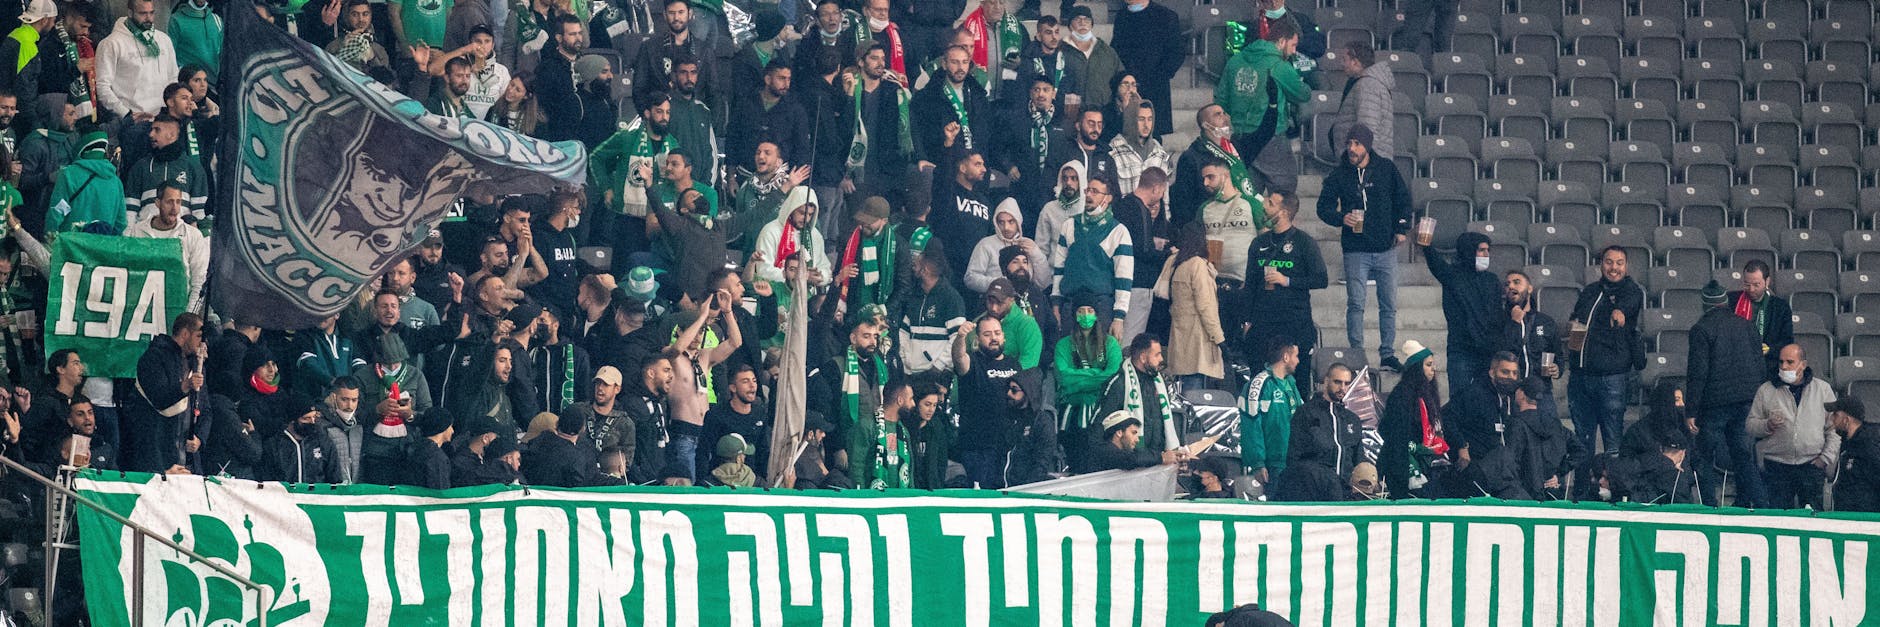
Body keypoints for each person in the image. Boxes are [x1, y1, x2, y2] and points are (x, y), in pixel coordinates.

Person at [1318, 124, 1411, 371]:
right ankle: (1357, 352)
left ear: (1367, 146)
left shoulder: (1386, 169)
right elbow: (1323, 207)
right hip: (1355, 249)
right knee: (1356, 303)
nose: (1352, 148)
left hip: (1385, 248)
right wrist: (1341, 218)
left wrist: (1401, 229)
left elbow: (1403, 199)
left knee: (1388, 304)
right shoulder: (1339, 175)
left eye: (1357, 144)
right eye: (1349, 143)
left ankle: (1387, 353)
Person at [1688, 280, 1772, 508]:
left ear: (1705, 305)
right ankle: (1763, 505)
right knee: (1743, 457)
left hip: (1714, 405)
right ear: (1725, 303)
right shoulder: (1747, 326)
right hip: (1746, 402)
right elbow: (1760, 367)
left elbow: (1698, 374)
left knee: (1704, 457)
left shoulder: (1701, 330)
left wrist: (1691, 411)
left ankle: (1709, 506)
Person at [1215, 16, 1308, 195]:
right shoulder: (1279, 66)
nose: (1294, 52)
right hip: (1270, 138)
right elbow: (1302, 94)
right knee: (1283, 194)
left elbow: (1221, 99)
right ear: (1282, 41)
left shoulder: (1235, 61)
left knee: (1247, 195)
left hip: (1239, 138)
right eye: (1293, 45)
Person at [1242, 192, 1326, 389]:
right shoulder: (1259, 243)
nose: (1264, 206)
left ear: (1284, 212)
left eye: (1270, 203)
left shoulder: (1304, 242)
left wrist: (1287, 280)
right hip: (1263, 322)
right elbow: (1250, 283)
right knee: (1260, 378)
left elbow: (1321, 279)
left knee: (1298, 380)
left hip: (1294, 322)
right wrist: (1247, 320)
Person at [1567, 246, 1646, 453]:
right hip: (1580, 377)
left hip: (1611, 378)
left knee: (1613, 442)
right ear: (1601, 264)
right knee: (1582, 442)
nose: (1614, 268)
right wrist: (1573, 352)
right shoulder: (1590, 291)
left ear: (1626, 266)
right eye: (1609, 262)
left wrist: (1619, 313)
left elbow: (1627, 307)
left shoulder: (1631, 291)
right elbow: (1576, 322)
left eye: (1619, 263)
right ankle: (1584, 486)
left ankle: (1611, 485)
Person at [1747, 344, 1838, 510]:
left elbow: (1834, 430)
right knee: (1778, 519)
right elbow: (1751, 426)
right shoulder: (1766, 390)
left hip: (1812, 464)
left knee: (1814, 519)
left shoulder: (1822, 390)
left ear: (1803, 364)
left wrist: (1825, 459)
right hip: (1777, 465)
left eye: (1790, 362)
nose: (1784, 366)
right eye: (1781, 362)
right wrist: (1767, 425)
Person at [1468, 376, 1585, 500]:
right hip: (1552, 495)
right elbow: (1580, 451)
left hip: (1524, 496)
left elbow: (1511, 463)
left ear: (1521, 394)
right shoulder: (1556, 426)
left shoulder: (1516, 425)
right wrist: (1559, 473)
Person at [1052, 171, 1133, 340]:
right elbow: (1059, 269)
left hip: (1101, 305)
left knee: (1098, 359)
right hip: (1071, 303)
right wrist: (1056, 305)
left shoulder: (1119, 231)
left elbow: (1124, 279)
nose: (1089, 195)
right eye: (1087, 190)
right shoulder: (1069, 225)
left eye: (1095, 191)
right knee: (1069, 356)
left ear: (1108, 198)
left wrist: (1119, 317)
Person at [123, 312, 203, 474]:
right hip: (156, 451)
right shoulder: (153, 357)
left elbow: (204, 404)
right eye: (198, 336)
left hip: (184, 451)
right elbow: (159, 398)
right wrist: (185, 386)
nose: (201, 342)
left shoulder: (194, 363)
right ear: (185, 333)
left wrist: (199, 436)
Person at [1426, 231, 1503, 394]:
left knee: (1487, 399)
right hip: (1461, 350)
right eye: (1481, 250)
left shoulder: (1492, 280)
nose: (1486, 255)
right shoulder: (1452, 275)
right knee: (1459, 398)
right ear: (1469, 251)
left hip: (1488, 351)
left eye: (1488, 250)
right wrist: (1425, 243)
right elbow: (1434, 262)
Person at [1053, 294, 1122, 470]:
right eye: (1081, 311)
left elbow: (1112, 375)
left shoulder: (1110, 343)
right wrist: (1096, 373)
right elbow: (1063, 376)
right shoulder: (1063, 345)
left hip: (1102, 410)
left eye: (1090, 311)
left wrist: (1079, 379)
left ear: (1097, 314)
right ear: (1074, 315)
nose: (1085, 315)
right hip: (1071, 413)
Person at [1380, 340, 1455, 498]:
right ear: (1416, 368)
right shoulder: (1401, 396)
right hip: (1404, 463)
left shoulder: (1427, 395)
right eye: (1428, 365)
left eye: (1433, 364)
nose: (1433, 369)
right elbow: (1395, 436)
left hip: (1425, 459)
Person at [951, 316, 1020, 487]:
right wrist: (960, 338)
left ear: (1003, 336)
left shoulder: (1014, 364)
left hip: (1008, 447)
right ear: (977, 339)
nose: (993, 338)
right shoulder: (973, 361)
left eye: (997, 333)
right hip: (978, 447)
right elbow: (959, 358)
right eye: (987, 334)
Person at [1279, 363, 1366, 498]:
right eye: (1337, 382)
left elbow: (1359, 459)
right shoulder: (1305, 412)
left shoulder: (1352, 419)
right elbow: (1294, 458)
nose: (1342, 388)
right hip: (1314, 493)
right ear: (1326, 381)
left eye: (1346, 383)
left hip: (1346, 496)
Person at [123, 182, 209, 311]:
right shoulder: (137, 232)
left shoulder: (193, 236)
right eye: (169, 202)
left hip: (177, 312)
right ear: (158, 203)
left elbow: (199, 282)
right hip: (141, 311)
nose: (175, 208)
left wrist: (187, 316)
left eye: (178, 202)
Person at [1163, 222, 1224, 391]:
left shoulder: (1175, 263)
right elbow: (1206, 307)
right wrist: (1220, 340)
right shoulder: (1197, 265)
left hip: (1179, 340)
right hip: (1198, 342)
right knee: (1196, 396)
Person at [93, 0, 178, 119]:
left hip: (165, 116)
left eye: (151, 13)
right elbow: (102, 86)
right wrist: (126, 114)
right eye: (143, 13)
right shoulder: (111, 43)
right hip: (132, 118)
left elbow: (173, 77)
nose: (148, 18)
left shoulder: (164, 40)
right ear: (130, 13)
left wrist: (173, 108)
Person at [910, 45, 990, 171]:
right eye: (955, 62)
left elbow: (986, 133)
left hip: (975, 166)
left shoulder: (978, 94)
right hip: (943, 164)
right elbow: (916, 131)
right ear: (944, 64)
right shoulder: (927, 97)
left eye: (965, 62)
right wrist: (921, 157)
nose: (960, 68)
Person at [1113, 166, 1170, 341]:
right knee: (1131, 338)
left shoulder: (1121, 205)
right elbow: (1143, 250)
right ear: (1156, 189)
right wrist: (1168, 255)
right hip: (1139, 283)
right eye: (1162, 192)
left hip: (1117, 279)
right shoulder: (1141, 209)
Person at [1498, 269, 1563, 421]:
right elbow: (1500, 353)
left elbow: (1558, 355)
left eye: (1517, 282)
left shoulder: (1545, 321)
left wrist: (1557, 369)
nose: (1511, 287)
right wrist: (1514, 323)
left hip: (1542, 391)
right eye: (1507, 284)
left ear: (1529, 288)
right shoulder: (1499, 321)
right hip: (1512, 392)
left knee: (1549, 434)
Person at [1111, 0, 1183, 136]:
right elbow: (1116, 50)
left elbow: (1176, 53)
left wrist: (1159, 76)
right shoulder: (1122, 16)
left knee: (1153, 135)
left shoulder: (1165, 16)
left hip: (1155, 87)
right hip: (1128, 88)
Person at [1098, 334, 1176, 457]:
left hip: (1158, 458)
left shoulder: (1159, 382)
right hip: (1130, 461)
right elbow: (1100, 426)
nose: (1161, 359)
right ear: (1143, 358)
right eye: (1157, 354)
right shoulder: (1119, 383)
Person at [896, 249, 965, 379]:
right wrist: (906, 364)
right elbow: (904, 333)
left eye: (917, 263)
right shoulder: (915, 296)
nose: (913, 266)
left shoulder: (951, 298)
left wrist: (938, 367)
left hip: (939, 375)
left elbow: (957, 338)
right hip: (912, 375)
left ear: (926, 268)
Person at [966, 198, 1046, 297]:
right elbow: (970, 278)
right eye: (1001, 222)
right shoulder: (986, 244)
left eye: (1011, 221)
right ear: (996, 223)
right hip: (995, 302)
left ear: (1018, 222)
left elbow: (1043, 283)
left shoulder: (1028, 245)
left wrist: (1036, 254)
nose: (1006, 227)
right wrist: (1000, 284)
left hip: (1025, 303)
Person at [1198, 159, 1260, 283]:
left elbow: (1266, 238)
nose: (1205, 183)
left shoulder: (1251, 203)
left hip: (1245, 280)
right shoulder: (1204, 208)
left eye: (1210, 177)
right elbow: (1197, 241)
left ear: (1225, 176)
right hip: (1213, 280)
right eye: (1204, 178)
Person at [1728, 260, 1794, 376]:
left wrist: (1770, 349)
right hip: (1734, 364)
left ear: (1767, 281)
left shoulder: (1780, 307)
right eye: (1747, 285)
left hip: (1766, 366)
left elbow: (1787, 341)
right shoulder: (1731, 301)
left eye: (1756, 285)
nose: (1751, 289)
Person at [700, 363, 770, 473]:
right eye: (745, 381)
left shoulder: (760, 414)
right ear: (733, 387)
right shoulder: (716, 415)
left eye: (754, 381)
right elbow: (703, 453)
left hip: (752, 482)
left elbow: (763, 450)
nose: (752, 385)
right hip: (721, 481)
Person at [1329, 42, 1393, 161]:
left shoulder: (1367, 86)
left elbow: (1367, 129)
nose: (1342, 64)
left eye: (1344, 59)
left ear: (1355, 62)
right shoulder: (1368, 83)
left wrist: (1363, 165)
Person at [262, 394, 345, 484]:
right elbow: (267, 483)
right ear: (292, 420)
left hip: (317, 497)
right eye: (306, 419)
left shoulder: (324, 442)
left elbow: (335, 480)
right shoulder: (274, 445)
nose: (312, 422)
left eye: (314, 417)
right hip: (285, 496)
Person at [848, 378, 911, 488]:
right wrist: (861, 498)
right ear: (900, 400)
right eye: (911, 399)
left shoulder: (904, 431)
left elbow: (910, 472)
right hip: (873, 500)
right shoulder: (867, 426)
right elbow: (856, 467)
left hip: (901, 500)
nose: (913, 404)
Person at [1058, 6, 1122, 110]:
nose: (1082, 23)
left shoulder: (1106, 51)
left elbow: (1120, 77)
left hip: (1101, 113)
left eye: (1087, 20)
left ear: (1092, 24)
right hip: (1069, 112)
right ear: (1069, 25)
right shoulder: (1060, 49)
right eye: (1077, 19)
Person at [1085, 409, 1187, 472]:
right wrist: (1161, 458)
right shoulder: (1104, 451)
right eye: (1133, 433)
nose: (1137, 439)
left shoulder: (1123, 452)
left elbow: (1140, 454)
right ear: (1119, 432)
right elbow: (1131, 459)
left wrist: (1168, 455)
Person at [1828, 397, 1880, 512]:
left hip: (1864, 514)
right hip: (1847, 511)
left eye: (1835, 415)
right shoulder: (1848, 443)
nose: (1831, 418)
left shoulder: (1868, 445)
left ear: (1846, 420)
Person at [523, 410, 601, 487]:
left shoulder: (536, 444)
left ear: (557, 424)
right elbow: (582, 486)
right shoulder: (577, 458)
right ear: (582, 429)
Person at [982, 277, 1042, 370]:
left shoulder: (1027, 325)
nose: (993, 308)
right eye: (990, 302)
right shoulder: (978, 323)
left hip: (1014, 382)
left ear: (1011, 300)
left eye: (999, 303)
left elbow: (1029, 364)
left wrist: (1005, 379)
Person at [1109, 102, 1168, 196]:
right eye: (1141, 119)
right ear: (1131, 120)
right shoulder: (1114, 152)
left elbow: (1165, 196)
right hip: (1126, 209)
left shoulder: (1160, 153)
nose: (1146, 124)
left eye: (1150, 119)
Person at [905, 382, 955, 489]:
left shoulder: (937, 428)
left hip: (932, 489)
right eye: (927, 404)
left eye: (934, 405)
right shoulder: (905, 428)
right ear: (917, 403)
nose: (931, 410)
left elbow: (941, 463)